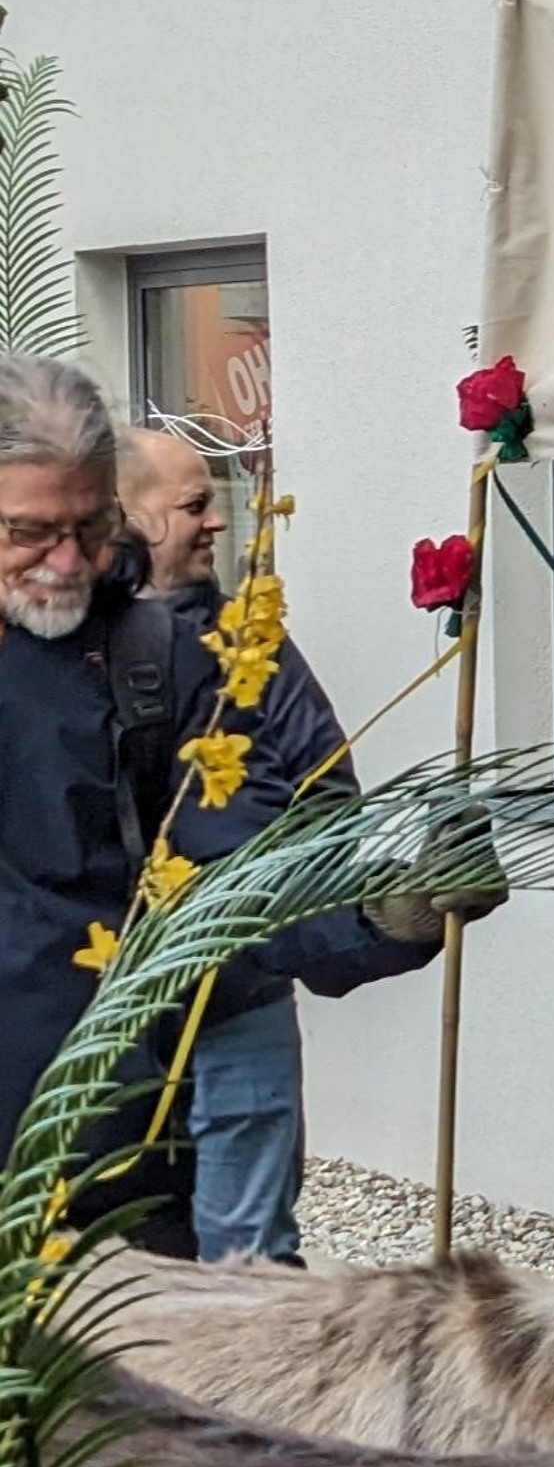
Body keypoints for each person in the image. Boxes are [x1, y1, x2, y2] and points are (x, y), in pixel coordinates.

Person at [0, 360, 464, 1248]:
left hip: (100, 1166)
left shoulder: (153, 661)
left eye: (88, 527)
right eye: (31, 532)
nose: (66, 562)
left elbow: (234, 877)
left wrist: (375, 913)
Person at [117, 424, 381, 1263]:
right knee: (116, 1256)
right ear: (126, 515)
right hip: (106, 1013)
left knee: (252, 1261)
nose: (217, 521)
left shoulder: (252, 644)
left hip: (241, 1000)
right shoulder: (60, 648)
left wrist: (257, 900)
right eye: (194, 504)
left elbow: (329, 798)